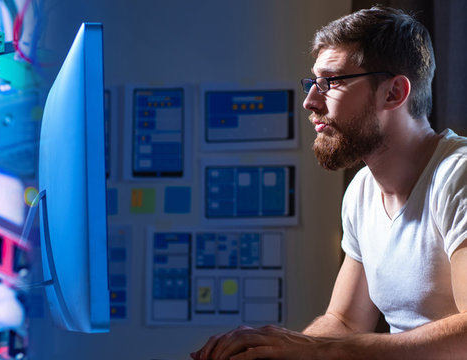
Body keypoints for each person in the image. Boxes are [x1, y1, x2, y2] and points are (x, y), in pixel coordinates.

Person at [192, 6, 467, 360]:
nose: (310, 101)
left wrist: (317, 349)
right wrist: (271, 349)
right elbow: (345, 321)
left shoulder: (456, 177)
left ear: (394, 92)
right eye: (312, 83)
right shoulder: (362, 191)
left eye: (331, 82)